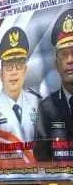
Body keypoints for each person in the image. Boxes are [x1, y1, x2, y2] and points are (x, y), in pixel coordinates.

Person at [0, 26, 40, 145]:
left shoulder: (38, 102)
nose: (14, 71)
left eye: (19, 64)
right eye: (9, 65)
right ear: (1, 73)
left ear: (25, 70)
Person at [35, 10, 73, 162]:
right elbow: (41, 157)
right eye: (64, 54)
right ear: (56, 64)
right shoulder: (47, 108)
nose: (70, 60)